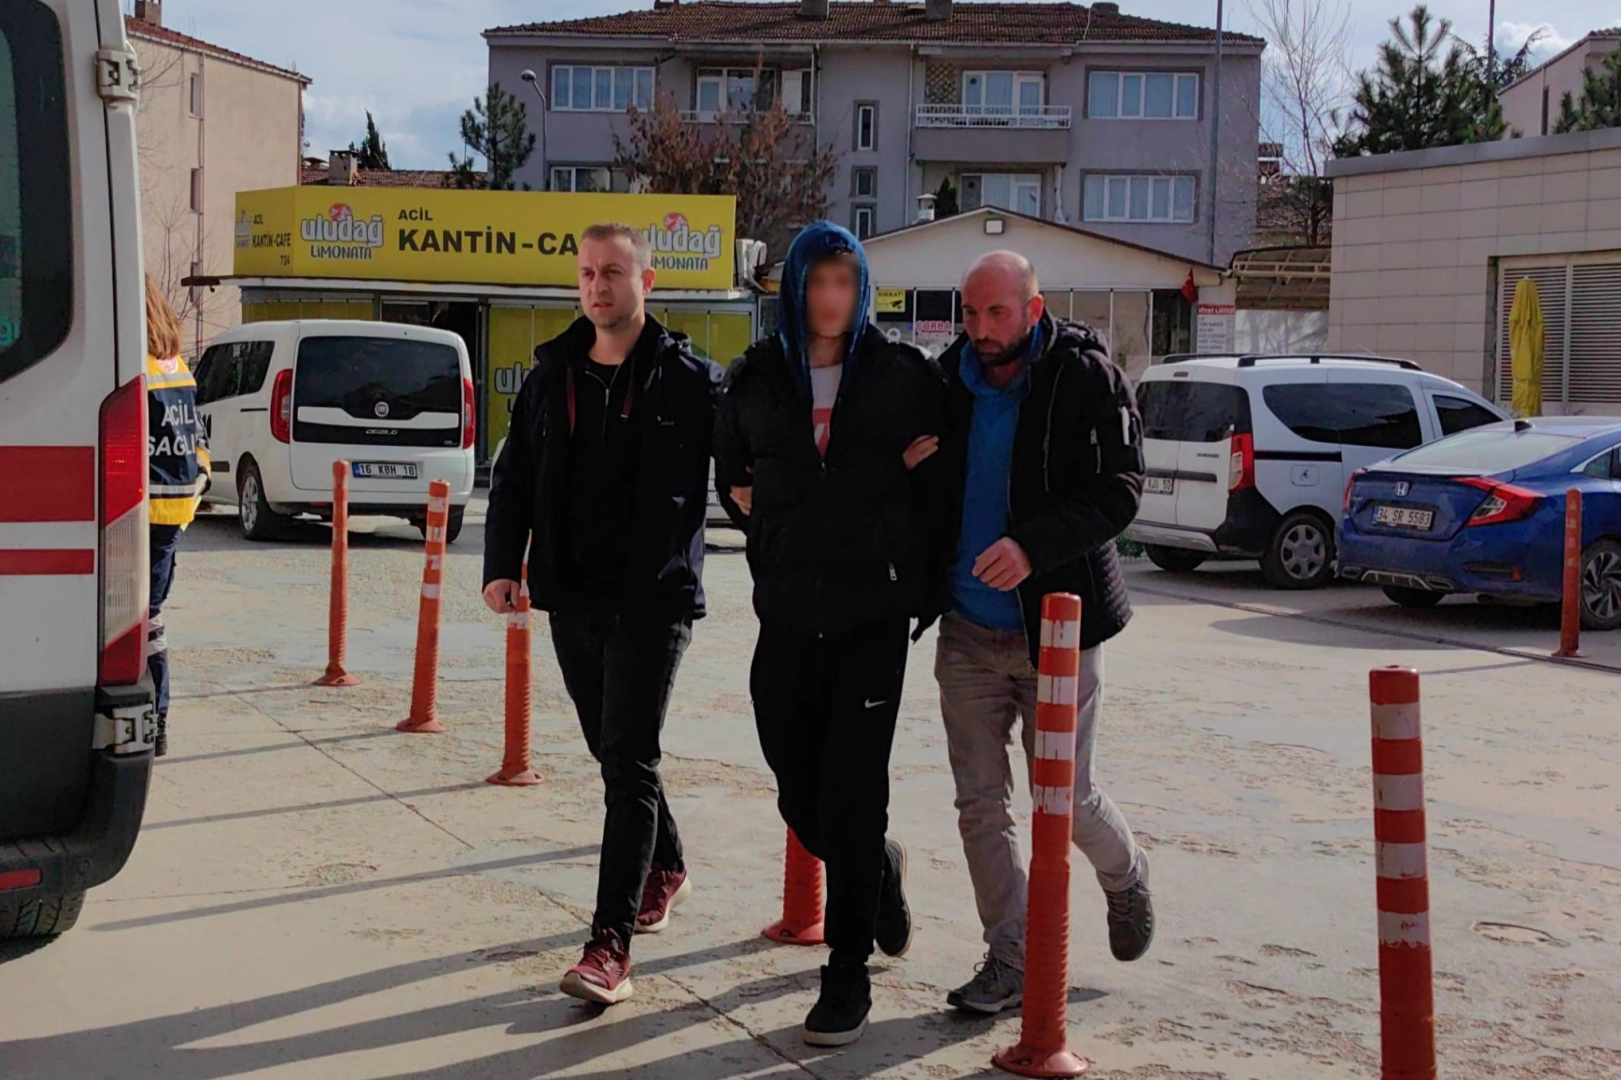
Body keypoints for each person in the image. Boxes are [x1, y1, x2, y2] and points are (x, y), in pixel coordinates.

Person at [714, 222, 946, 1047]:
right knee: (795, 785)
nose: (829, 297)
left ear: (862, 289)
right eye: (816, 280)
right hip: (785, 612)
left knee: (853, 791)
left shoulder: (900, 376)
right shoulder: (756, 376)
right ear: (794, 290)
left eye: (844, 281)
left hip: (869, 617)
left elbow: (933, 485)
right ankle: (874, 864)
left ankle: (846, 972)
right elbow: (733, 473)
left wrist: (908, 569)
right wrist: (756, 509)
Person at [483, 223, 723, 1006]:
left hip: (652, 598)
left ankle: (608, 947)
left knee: (628, 761)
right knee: (612, 749)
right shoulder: (551, 374)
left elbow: (751, 453)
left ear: (645, 282)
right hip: (572, 594)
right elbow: (515, 476)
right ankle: (667, 863)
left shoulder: (689, 379)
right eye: (587, 273)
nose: (597, 287)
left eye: (613, 272)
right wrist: (501, 564)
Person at [930, 250, 1152, 1015]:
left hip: (1057, 632)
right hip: (965, 631)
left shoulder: (1084, 377)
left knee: (1065, 798)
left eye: (995, 312)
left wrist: (1032, 548)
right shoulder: (946, 384)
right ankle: (1010, 956)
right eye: (969, 312)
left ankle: (1125, 874)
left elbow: (1121, 489)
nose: (980, 329)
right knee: (979, 805)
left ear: (1032, 309)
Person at [143, 276, 211, 759]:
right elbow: (197, 435)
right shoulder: (177, 366)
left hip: (145, 508)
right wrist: (201, 478)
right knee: (151, 619)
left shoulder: (138, 369)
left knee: (138, 621)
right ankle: (159, 717)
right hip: (177, 507)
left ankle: (155, 716)